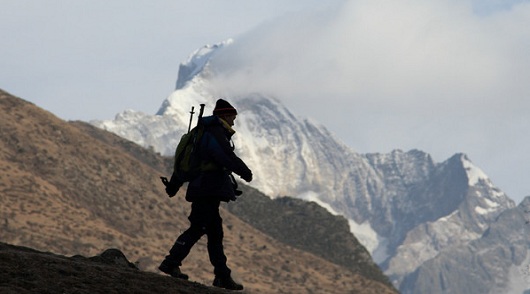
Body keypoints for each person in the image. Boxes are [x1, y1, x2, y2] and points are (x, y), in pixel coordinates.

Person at [159, 99, 253, 291]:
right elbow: (225, 156)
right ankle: (170, 263)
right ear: (225, 115)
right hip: (207, 190)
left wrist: (174, 186)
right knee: (198, 227)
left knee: (215, 233)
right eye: (232, 117)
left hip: (205, 189)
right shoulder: (215, 132)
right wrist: (245, 172)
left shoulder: (203, 133)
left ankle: (222, 276)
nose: (234, 122)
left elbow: (192, 162)